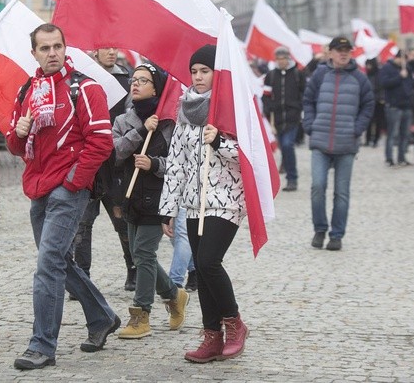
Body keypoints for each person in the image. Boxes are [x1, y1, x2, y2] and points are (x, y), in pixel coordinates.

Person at [6, 24, 119, 371]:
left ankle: (42, 346)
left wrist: (74, 183)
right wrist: (18, 133)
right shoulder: (28, 89)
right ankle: (102, 317)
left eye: (57, 46)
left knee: (47, 266)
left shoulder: (85, 88)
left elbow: (101, 141)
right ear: (34, 53)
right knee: (57, 263)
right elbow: (14, 144)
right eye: (45, 48)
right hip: (37, 186)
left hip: (68, 189)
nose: (52, 53)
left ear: (65, 48)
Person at [160, 44, 249, 363]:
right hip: (193, 201)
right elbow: (176, 162)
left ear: (217, 73)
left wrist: (220, 142)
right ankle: (212, 336)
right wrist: (168, 208)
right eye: (194, 71)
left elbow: (250, 158)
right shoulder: (186, 109)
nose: (198, 77)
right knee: (202, 265)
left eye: (205, 71)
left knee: (209, 261)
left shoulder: (232, 107)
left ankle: (234, 323)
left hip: (226, 199)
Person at [112, 63, 189, 339]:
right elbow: (118, 152)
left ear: (156, 88)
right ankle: (173, 296)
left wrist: (153, 163)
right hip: (130, 195)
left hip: (158, 199)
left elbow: (179, 164)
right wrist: (142, 131)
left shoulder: (170, 123)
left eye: (143, 81)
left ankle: (141, 314)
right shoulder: (124, 119)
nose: (135, 84)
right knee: (137, 253)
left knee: (144, 254)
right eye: (134, 80)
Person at [71, 47, 136, 293]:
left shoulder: (126, 80)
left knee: (122, 220)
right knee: (82, 223)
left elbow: (133, 116)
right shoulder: (79, 81)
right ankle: (81, 277)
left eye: (114, 47)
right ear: (94, 51)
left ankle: (133, 269)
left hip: (114, 163)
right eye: (105, 47)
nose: (111, 52)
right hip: (87, 161)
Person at [303, 36, 374, 251]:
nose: (344, 53)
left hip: (346, 143)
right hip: (320, 140)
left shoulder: (360, 79)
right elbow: (308, 99)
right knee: (317, 186)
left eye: (347, 50)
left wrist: (357, 128)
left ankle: (337, 235)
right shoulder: (320, 74)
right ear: (330, 53)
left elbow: (368, 105)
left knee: (341, 192)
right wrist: (310, 125)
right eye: (339, 49)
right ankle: (320, 229)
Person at [263, 46, 306, 191]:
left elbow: (304, 93)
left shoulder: (297, 74)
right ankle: (287, 169)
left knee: (288, 145)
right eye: (278, 59)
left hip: (293, 117)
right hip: (278, 119)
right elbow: (266, 95)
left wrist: (300, 108)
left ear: (288, 59)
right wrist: (269, 109)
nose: (281, 61)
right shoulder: (271, 76)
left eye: (283, 58)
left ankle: (292, 178)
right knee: (284, 148)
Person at [379, 51, 413, 167]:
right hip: (393, 106)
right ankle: (389, 158)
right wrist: (399, 77)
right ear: (397, 58)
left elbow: (410, 83)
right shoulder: (387, 68)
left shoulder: (407, 69)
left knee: (405, 134)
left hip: (406, 105)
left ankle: (401, 157)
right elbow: (384, 83)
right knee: (393, 133)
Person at [364, 58, 385, 148]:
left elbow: (380, 86)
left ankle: (376, 139)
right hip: (369, 100)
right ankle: (368, 139)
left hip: (379, 101)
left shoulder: (380, 73)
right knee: (369, 121)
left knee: (378, 121)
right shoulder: (368, 74)